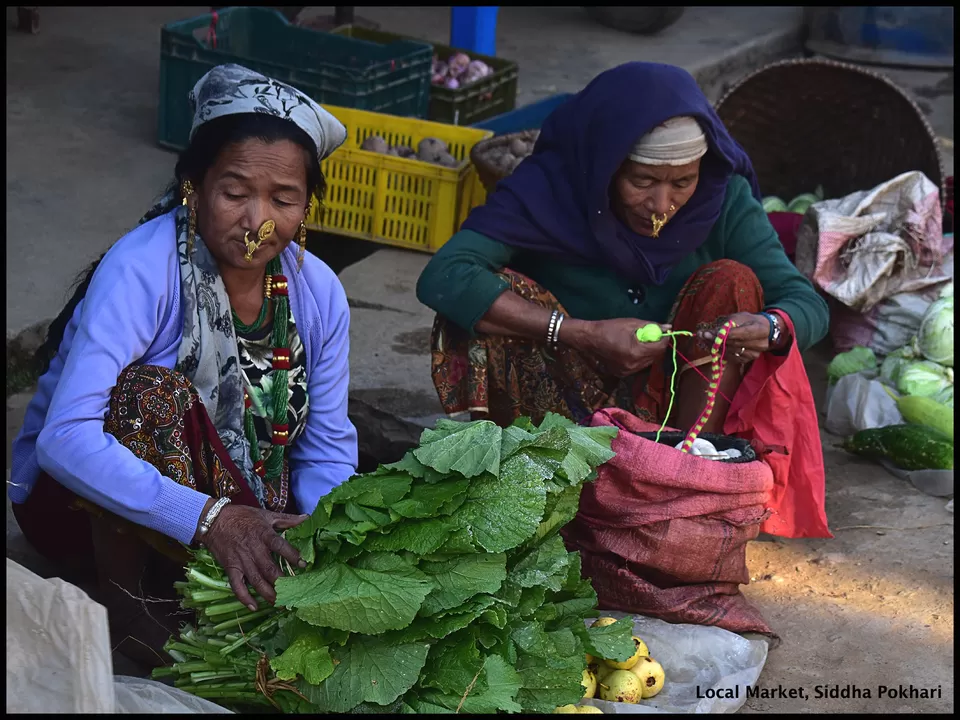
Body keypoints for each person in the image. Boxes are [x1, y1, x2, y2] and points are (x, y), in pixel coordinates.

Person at [8, 64, 358, 665]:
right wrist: (214, 518)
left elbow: (325, 446)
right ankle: (129, 615)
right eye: (234, 192)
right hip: (77, 514)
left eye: (283, 199)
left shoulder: (317, 291)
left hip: (239, 500)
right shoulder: (141, 270)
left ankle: (225, 575)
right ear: (194, 186)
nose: (256, 222)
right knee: (152, 395)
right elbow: (64, 438)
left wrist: (324, 541)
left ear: (308, 207)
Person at [417, 62, 831, 537]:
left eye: (681, 182)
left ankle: (685, 481)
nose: (662, 206)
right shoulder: (550, 188)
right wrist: (580, 333)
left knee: (731, 280)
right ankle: (534, 479)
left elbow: (806, 303)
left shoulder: (722, 196)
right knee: (484, 301)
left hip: (677, 408)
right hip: (564, 403)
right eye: (641, 181)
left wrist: (770, 326)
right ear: (604, 164)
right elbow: (445, 276)